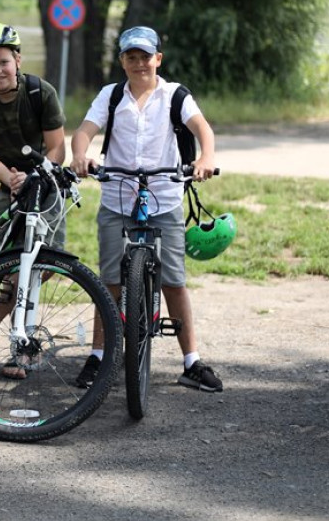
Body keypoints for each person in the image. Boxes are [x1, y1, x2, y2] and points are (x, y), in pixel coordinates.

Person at [70, 26, 222, 392]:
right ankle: (98, 355)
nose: (139, 64)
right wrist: (79, 154)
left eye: (145, 57)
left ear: (158, 59)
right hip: (117, 196)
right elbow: (84, 131)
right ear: (122, 61)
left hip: (165, 196)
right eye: (130, 57)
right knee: (109, 281)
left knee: (173, 280)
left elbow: (202, 128)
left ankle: (191, 360)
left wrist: (205, 157)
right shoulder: (110, 97)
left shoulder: (174, 95)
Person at [0, 22, 66, 378]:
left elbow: (57, 147)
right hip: (0, 184)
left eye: (3, 62)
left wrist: (35, 175)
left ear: (18, 60)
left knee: (44, 265)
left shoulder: (40, 92)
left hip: (42, 182)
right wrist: (11, 178)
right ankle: (4, 345)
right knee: (3, 265)